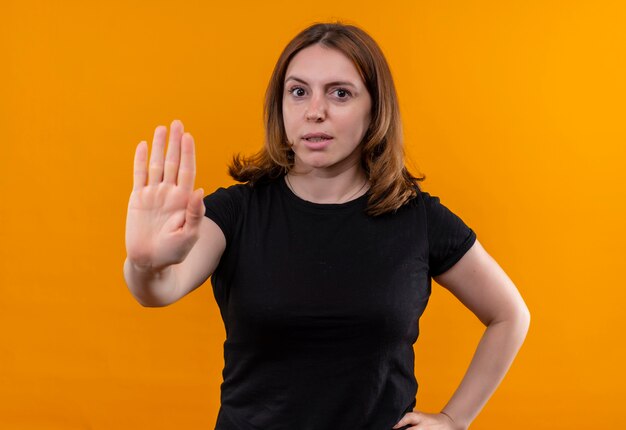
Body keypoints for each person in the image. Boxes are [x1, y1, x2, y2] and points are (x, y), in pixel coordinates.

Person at [124, 22, 530, 430]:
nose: (314, 110)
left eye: (340, 93)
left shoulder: (418, 219)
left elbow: (509, 315)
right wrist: (145, 264)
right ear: (279, 105)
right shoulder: (235, 211)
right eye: (298, 92)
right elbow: (162, 289)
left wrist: (454, 420)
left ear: (375, 108)